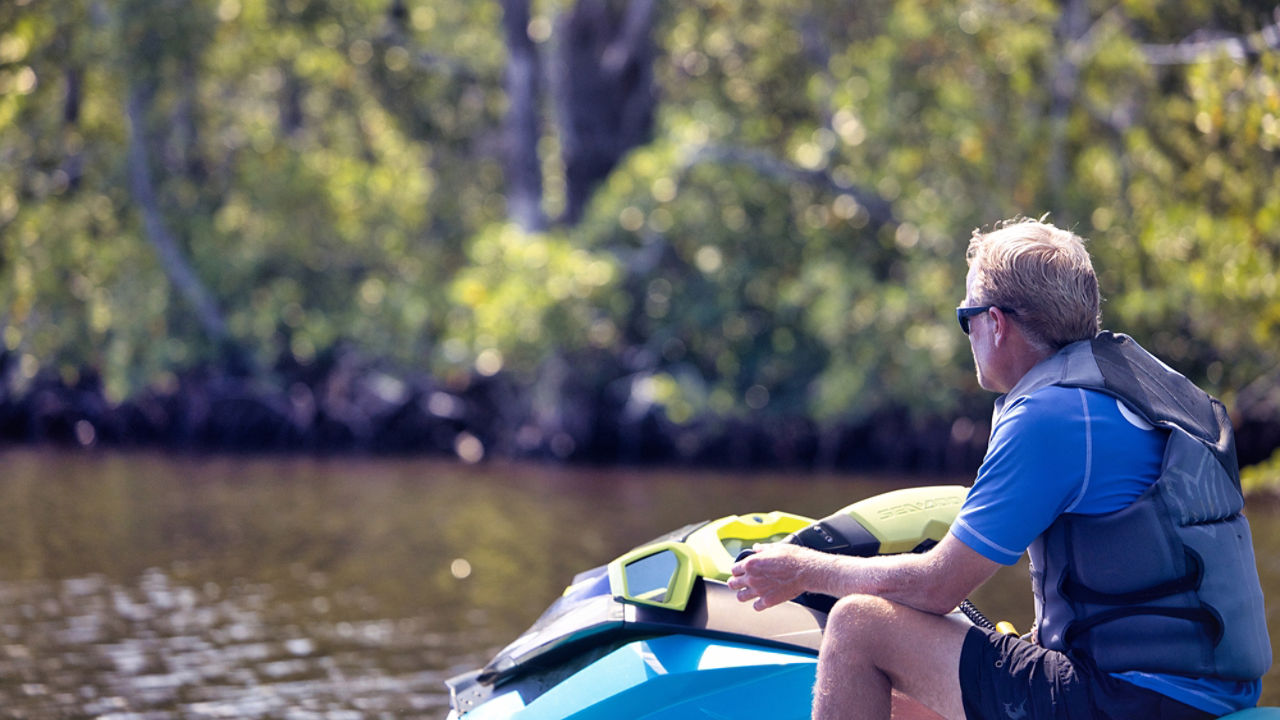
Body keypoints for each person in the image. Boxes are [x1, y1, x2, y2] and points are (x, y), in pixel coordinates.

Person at [727, 217, 1271, 720]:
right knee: (915, 695)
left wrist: (804, 569)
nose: (969, 336)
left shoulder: (1049, 417)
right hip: (1209, 689)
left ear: (995, 322)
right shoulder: (1141, 387)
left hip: (1136, 698)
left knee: (858, 627)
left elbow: (939, 585)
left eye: (966, 320)